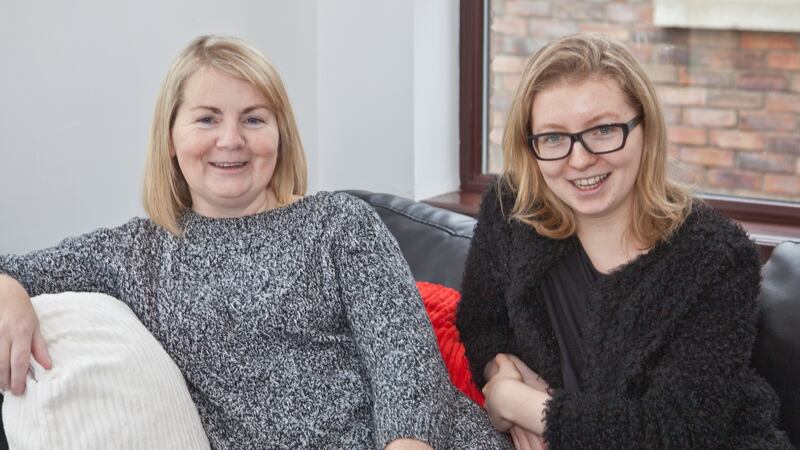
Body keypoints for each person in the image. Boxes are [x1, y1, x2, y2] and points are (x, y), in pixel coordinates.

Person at [0, 35, 511, 449]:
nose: (231, 140)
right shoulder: (138, 251)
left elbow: (407, 365)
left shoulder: (339, 223)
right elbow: (12, 266)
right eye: (207, 118)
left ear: (279, 134)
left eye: (253, 118)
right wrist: (9, 291)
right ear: (171, 138)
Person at [455, 33, 793, 449]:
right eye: (554, 138)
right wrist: (498, 373)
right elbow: (482, 324)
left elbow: (678, 432)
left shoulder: (716, 257)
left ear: (644, 129)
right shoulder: (512, 211)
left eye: (602, 130)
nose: (579, 160)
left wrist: (519, 404)